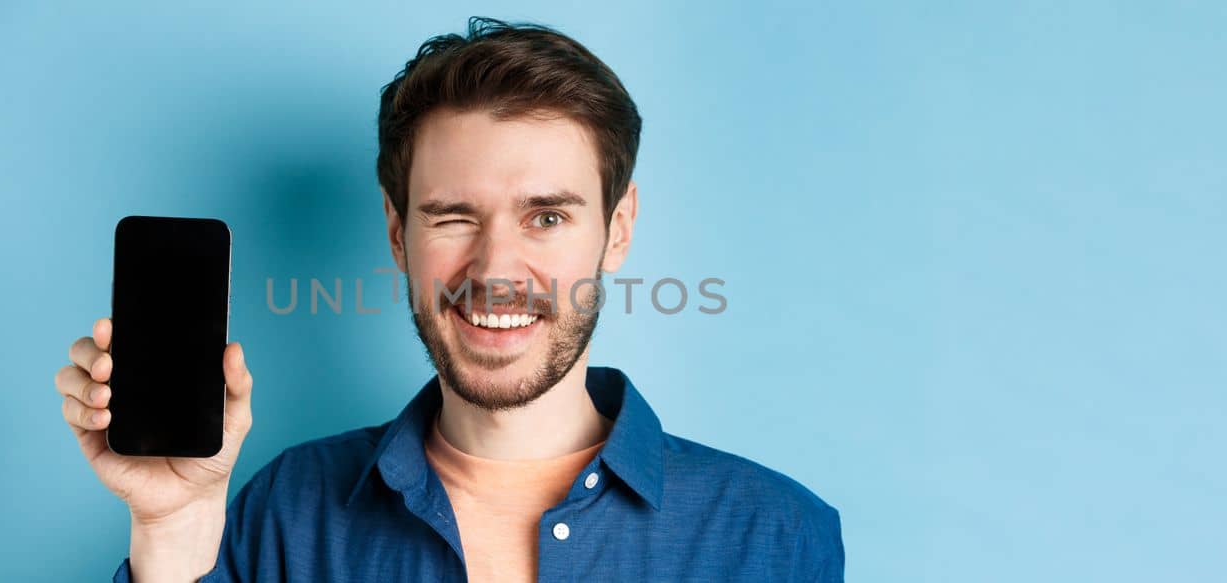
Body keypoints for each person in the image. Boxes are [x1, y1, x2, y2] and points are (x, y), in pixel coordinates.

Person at [54, 17, 844, 583]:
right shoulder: (287, 516)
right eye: (454, 216)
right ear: (398, 233)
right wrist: (171, 527)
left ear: (619, 227)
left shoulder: (773, 535)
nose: (497, 266)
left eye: (547, 216)